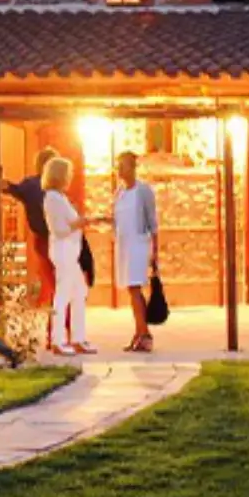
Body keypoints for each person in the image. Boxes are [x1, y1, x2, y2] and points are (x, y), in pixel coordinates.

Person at [3, 149, 62, 350]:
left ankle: (56, 332)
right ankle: (57, 334)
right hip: (55, 241)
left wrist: (0, 178)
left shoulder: (31, 186)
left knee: (57, 287)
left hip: (44, 241)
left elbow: (9, 188)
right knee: (60, 288)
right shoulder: (49, 189)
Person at [43, 155, 93, 355]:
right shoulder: (52, 198)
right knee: (63, 294)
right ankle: (58, 339)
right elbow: (59, 229)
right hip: (63, 251)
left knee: (79, 292)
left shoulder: (62, 198)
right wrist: (78, 223)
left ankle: (78, 338)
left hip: (72, 251)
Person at [112, 149, 160, 352]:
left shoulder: (143, 191)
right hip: (124, 245)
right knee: (131, 289)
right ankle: (140, 332)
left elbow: (152, 221)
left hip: (139, 245)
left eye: (122, 166)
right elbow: (116, 219)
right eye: (118, 166)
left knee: (135, 287)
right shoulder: (119, 192)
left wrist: (155, 251)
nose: (119, 170)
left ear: (132, 168)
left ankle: (144, 334)